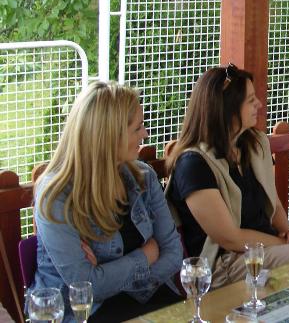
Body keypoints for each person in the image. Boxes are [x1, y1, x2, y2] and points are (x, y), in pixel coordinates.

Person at [166, 64, 289, 288]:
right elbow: (230, 238)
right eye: (251, 100)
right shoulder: (193, 164)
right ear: (227, 108)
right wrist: (284, 244)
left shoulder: (253, 144)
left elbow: (273, 202)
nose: (259, 104)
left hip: (265, 251)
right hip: (226, 264)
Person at [33, 82, 183, 322]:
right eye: (137, 128)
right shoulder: (56, 196)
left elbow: (174, 253)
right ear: (109, 137)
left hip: (147, 298)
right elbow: (85, 287)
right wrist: (145, 256)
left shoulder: (143, 176)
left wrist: (107, 275)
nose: (145, 134)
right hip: (85, 314)